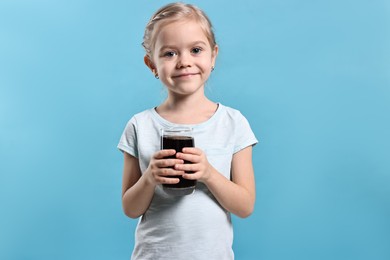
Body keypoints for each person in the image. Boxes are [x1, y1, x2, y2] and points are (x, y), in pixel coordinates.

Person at [117, 2, 258, 259]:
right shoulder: (140, 125)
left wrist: (208, 174)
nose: (184, 62)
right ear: (152, 64)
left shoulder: (233, 123)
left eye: (195, 50)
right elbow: (130, 208)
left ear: (213, 55)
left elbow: (245, 205)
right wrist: (149, 177)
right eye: (169, 53)